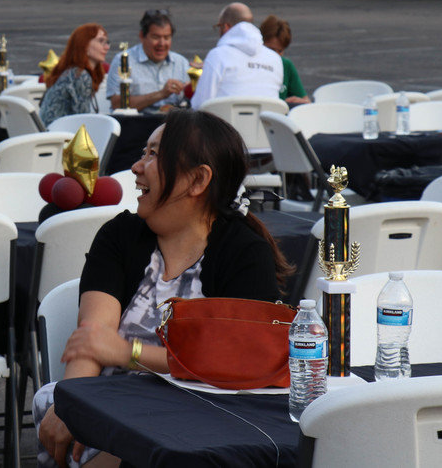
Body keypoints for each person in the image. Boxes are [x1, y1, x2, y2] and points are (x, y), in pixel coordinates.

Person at [34, 109, 293, 468]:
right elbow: (92, 338)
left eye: (154, 154)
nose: (137, 167)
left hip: (206, 414)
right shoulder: (120, 235)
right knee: (62, 408)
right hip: (115, 400)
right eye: (144, 152)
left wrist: (127, 352)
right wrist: (72, 405)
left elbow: (231, 366)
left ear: (197, 180)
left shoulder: (244, 252)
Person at [190, 2, 283, 108]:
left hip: (225, 123)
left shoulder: (217, 55)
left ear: (226, 26)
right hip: (264, 123)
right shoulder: (275, 59)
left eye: (219, 26)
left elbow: (200, 105)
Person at [105, 9, 189, 113]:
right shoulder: (123, 61)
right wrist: (161, 94)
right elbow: (117, 104)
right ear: (142, 36)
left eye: (166, 37)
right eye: (156, 37)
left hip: (173, 124)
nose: (162, 43)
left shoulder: (181, 63)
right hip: (137, 123)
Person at [39, 23, 109, 124]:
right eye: (101, 41)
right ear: (85, 45)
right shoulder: (80, 75)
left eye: (107, 42)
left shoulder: (69, 72)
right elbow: (82, 122)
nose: (106, 47)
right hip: (58, 136)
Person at [260, 14, 311, 106]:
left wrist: (301, 102)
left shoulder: (286, 65)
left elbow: (306, 101)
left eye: (280, 51)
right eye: (271, 49)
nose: (275, 55)